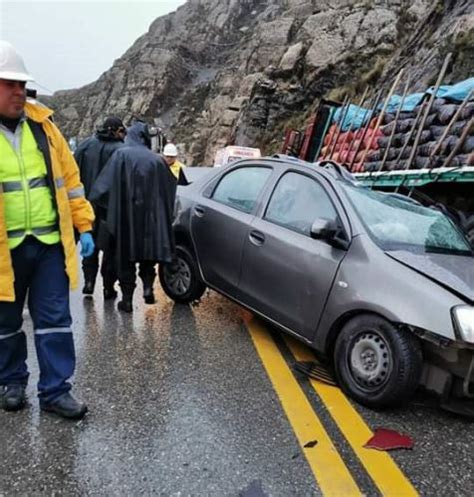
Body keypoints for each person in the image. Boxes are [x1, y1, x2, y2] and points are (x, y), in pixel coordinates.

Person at [0, 41, 95, 419]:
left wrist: (84, 225)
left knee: (55, 320)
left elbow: (70, 182)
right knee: (5, 323)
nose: (19, 91)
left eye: (22, 85)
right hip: (4, 250)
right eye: (9, 84)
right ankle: (11, 382)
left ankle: (56, 391)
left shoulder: (45, 128)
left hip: (48, 246)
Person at [90, 120, 177, 312]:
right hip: (151, 218)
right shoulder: (156, 160)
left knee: (125, 258)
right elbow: (171, 187)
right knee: (148, 255)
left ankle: (127, 299)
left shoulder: (121, 155)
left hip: (125, 218)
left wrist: (106, 210)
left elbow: (102, 187)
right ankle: (147, 288)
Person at [74, 116, 125, 299]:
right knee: (110, 250)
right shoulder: (122, 150)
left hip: (86, 206)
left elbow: (72, 173)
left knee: (90, 247)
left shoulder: (85, 146)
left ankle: (88, 282)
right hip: (110, 210)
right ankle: (108, 287)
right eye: (122, 131)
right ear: (116, 130)